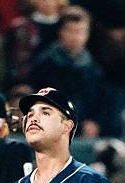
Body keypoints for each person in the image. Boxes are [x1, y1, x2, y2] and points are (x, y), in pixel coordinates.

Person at [29, 6, 106, 137]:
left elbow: (99, 102)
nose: (75, 37)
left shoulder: (93, 69)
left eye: (80, 32)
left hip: (82, 131)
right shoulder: (45, 64)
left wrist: (94, 122)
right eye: (71, 31)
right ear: (61, 32)